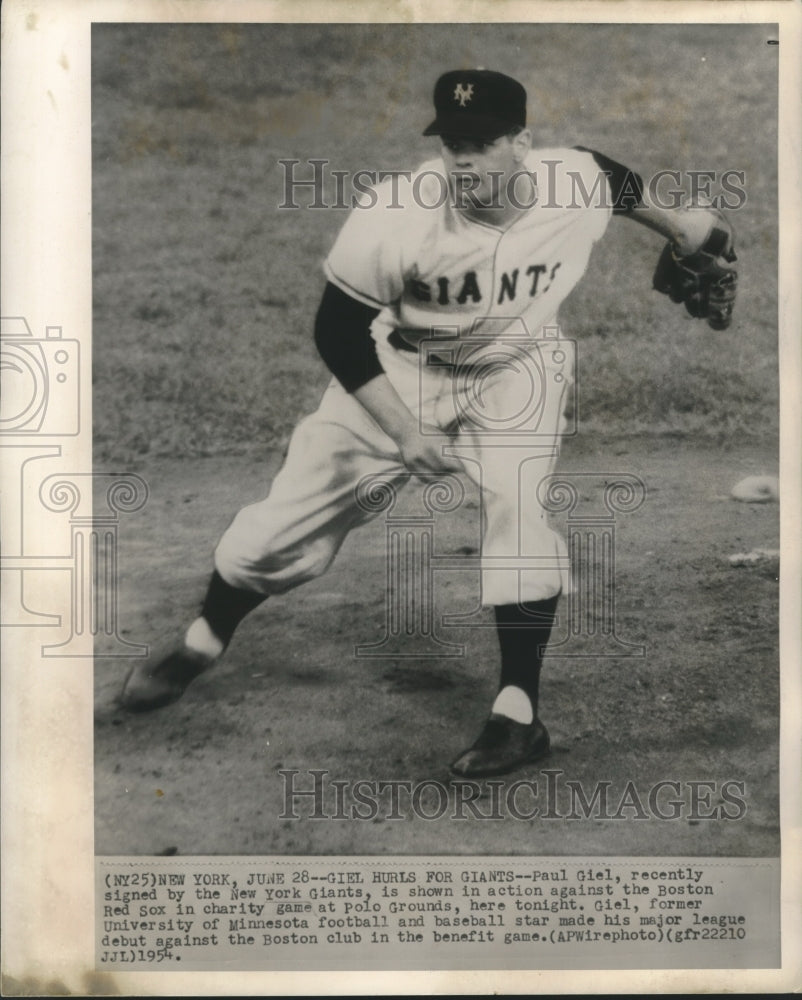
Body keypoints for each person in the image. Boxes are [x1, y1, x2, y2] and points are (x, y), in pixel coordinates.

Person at [120, 69, 735, 778]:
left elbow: (608, 175)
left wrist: (687, 227)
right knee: (276, 531)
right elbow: (338, 333)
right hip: (398, 372)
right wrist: (409, 433)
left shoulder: (570, 180)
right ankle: (203, 638)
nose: (462, 159)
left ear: (521, 145)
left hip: (518, 372)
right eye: (452, 144)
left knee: (518, 508)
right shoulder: (396, 214)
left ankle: (517, 713)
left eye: (479, 144)